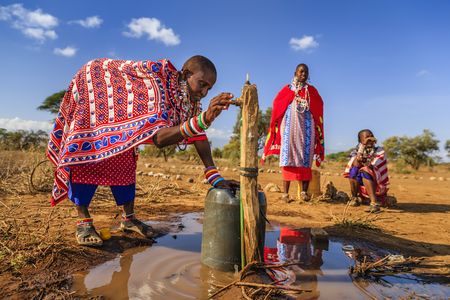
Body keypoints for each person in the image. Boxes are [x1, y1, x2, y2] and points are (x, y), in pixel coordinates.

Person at [47, 55, 238, 246]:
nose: (204, 92)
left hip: (118, 116)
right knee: (89, 155)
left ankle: (128, 219)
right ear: (186, 74)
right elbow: (159, 137)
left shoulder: (190, 100)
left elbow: (198, 135)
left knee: (124, 163)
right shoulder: (158, 86)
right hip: (96, 94)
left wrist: (214, 176)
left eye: (209, 89)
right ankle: (83, 221)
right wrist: (205, 119)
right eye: (202, 84)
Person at [262, 64, 324, 203]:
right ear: (295, 72)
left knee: (305, 158)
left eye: (306, 72)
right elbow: (277, 104)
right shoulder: (287, 89)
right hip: (289, 128)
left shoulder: (311, 91)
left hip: (307, 129)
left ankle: (304, 193)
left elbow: (319, 105)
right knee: (288, 158)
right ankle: (285, 194)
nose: (303, 74)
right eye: (301, 71)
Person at [343, 129, 389, 213]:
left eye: (371, 136)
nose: (370, 138)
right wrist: (362, 148)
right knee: (353, 170)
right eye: (367, 137)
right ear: (361, 140)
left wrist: (364, 162)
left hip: (376, 181)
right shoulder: (356, 151)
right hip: (362, 181)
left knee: (365, 170)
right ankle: (354, 198)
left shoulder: (379, 150)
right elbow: (356, 164)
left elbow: (372, 166)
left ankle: (374, 204)